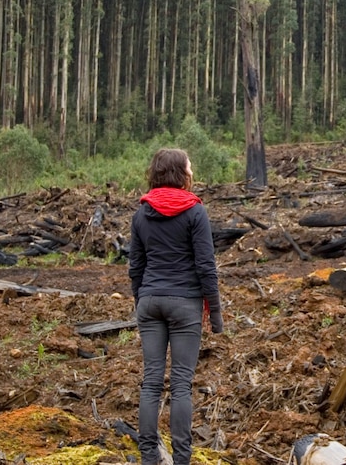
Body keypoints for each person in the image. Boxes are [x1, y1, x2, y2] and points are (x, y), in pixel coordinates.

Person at [128, 148, 223, 465]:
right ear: (180, 173)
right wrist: (217, 314)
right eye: (189, 166)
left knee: (151, 381)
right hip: (185, 305)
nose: (192, 170)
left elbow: (135, 268)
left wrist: (141, 301)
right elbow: (206, 267)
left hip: (150, 301)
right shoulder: (195, 212)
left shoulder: (141, 213)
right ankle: (182, 460)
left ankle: (148, 458)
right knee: (181, 384)